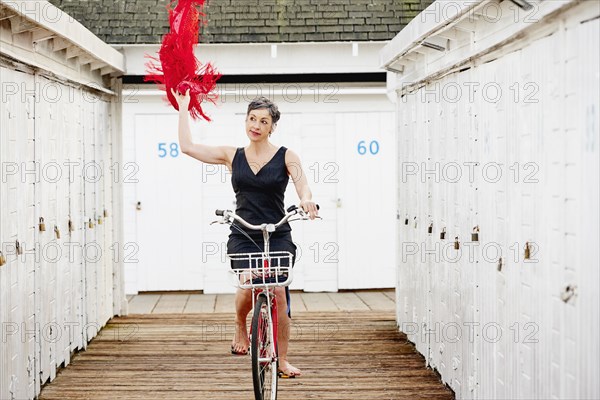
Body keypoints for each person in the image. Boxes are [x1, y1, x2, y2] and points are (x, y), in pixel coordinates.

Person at [172, 89, 319, 378]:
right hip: (244, 231)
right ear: (246, 121)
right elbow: (188, 146)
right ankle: (240, 324)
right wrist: (183, 106)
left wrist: (306, 200)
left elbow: (303, 185)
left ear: (272, 126)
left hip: (277, 231)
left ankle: (283, 359)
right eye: (252, 119)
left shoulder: (287, 155)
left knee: (277, 290)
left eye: (263, 121)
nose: (256, 125)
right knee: (249, 281)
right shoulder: (232, 155)